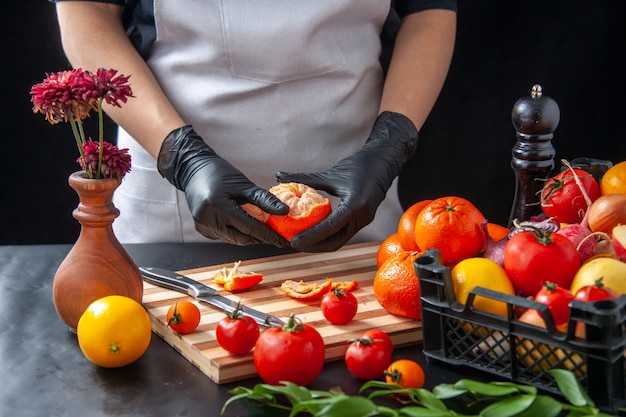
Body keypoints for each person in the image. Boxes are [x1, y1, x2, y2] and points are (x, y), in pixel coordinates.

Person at [52, 0, 457, 252]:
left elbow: (428, 11)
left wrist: (390, 144)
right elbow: (89, 12)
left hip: (356, 201)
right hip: (175, 214)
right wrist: (180, 158)